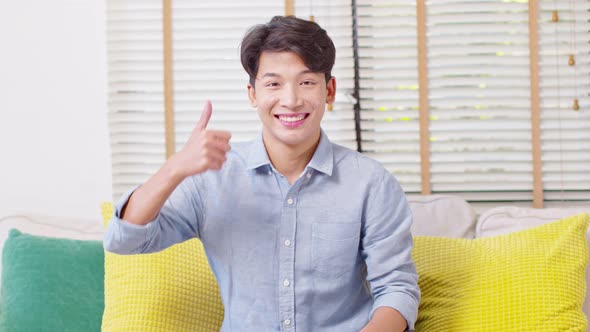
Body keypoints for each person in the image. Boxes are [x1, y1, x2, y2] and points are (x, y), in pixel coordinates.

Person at [104, 15, 420, 332]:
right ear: (253, 94)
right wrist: (174, 168)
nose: (291, 100)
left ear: (330, 89)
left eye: (307, 81)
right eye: (273, 84)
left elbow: (397, 289)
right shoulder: (212, 177)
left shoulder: (372, 183)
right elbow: (124, 240)